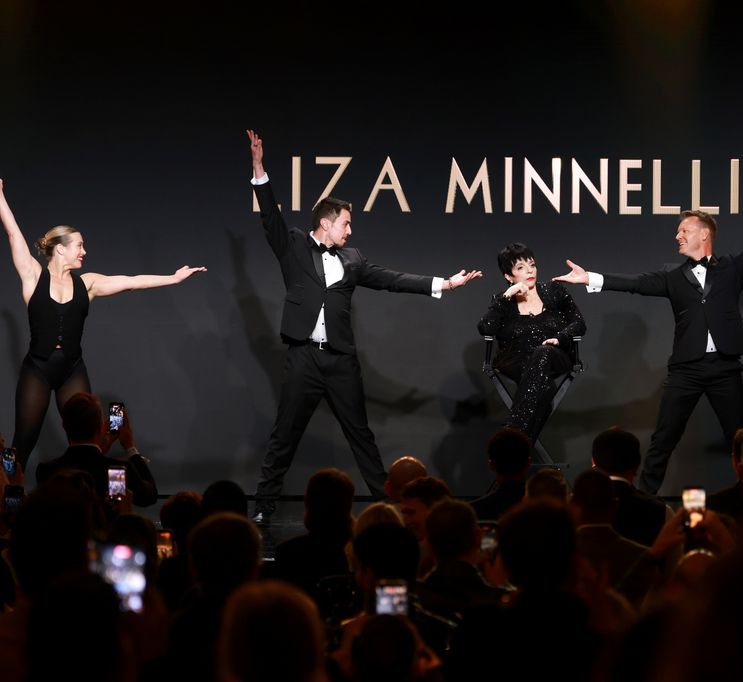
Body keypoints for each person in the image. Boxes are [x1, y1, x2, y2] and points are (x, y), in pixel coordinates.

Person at [245, 130, 481, 523]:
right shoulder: (295, 245)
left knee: (362, 438)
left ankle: (390, 508)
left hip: (340, 361)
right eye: (346, 224)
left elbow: (392, 278)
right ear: (325, 222)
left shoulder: (353, 258)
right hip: (304, 356)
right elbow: (271, 215)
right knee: (284, 436)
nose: (350, 231)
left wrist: (445, 283)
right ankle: (263, 511)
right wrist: (258, 169)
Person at [554, 168, 743, 494]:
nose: (678, 236)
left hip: (724, 369)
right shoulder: (672, 277)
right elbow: (635, 283)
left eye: (685, 231)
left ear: (704, 234)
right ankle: (644, 501)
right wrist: (589, 277)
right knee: (663, 439)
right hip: (686, 370)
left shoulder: (733, 269)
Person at [0, 177, 206, 470]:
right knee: (22, 443)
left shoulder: (89, 283)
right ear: (60, 249)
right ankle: (6, 503)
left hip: (72, 368)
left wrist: (172, 278)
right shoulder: (33, 277)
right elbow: (12, 234)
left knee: (88, 445)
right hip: (38, 369)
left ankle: (89, 505)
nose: (84, 251)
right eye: (80, 246)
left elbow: (131, 282)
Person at [478, 242, 585, 441]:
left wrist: (560, 337)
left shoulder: (555, 292)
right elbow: (485, 328)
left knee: (542, 352)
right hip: (516, 361)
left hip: (555, 356)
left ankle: (512, 431)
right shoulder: (503, 301)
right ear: (508, 276)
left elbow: (579, 324)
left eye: (532, 265)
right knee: (545, 389)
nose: (529, 271)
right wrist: (506, 296)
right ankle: (520, 447)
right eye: (520, 267)